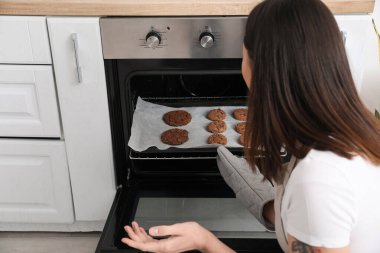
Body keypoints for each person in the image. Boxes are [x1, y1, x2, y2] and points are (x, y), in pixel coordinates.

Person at [121, 0, 380, 252]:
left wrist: (205, 241)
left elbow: (319, 201)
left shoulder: (318, 181)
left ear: (260, 72)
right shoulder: (354, 135)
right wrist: (274, 207)